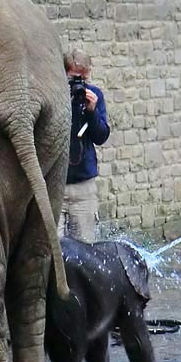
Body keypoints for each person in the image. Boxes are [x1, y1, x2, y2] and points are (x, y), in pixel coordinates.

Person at [58, 49, 110, 242]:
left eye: (83, 79)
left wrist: (92, 111)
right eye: (74, 79)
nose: (78, 84)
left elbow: (101, 136)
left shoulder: (94, 96)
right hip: (56, 185)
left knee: (85, 250)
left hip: (84, 186)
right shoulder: (56, 95)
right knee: (53, 249)